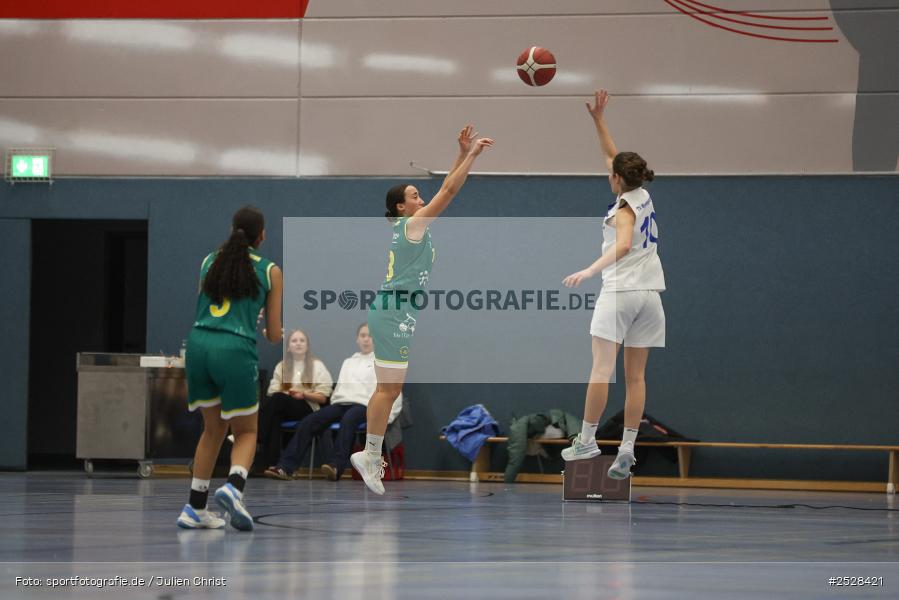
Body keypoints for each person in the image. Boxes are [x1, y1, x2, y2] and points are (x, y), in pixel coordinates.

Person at [351, 125, 494, 494]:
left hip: (396, 312)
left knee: (389, 390)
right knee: (388, 390)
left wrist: (460, 153)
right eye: (415, 195)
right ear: (402, 206)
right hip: (392, 312)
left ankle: (369, 454)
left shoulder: (412, 226)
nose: (421, 197)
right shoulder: (412, 225)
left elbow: (444, 186)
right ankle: (369, 455)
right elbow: (449, 190)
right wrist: (472, 156)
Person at [561, 90, 665, 480]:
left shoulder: (623, 209)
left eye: (611, 173)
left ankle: (587, 439)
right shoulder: (642, 194)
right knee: (636, 377)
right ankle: (626, 448)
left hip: (620, 292)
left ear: (618, 180)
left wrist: (589, 271)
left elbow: (622, 246)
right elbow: (613, 157)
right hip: (651, 298)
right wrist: (599, 120)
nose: (608, 173)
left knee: (602, 370)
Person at [176, 205, 283, 531]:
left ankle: (195, 507)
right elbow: (275, 334)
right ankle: (234, 488)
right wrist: (261, 323)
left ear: (232, 229)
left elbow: (205, 303)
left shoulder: (210, 261)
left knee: (213, 429)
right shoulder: (270, 270)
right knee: (247, 430)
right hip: (233, 348)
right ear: (262, 235)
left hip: (198, 344)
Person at [264, 323, 401, 481]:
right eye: (363, 336)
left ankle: (336, 466)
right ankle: (285, 468)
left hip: (366, 406)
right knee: (310, 420)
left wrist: (386, 416)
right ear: (357, 339)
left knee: (349, 418)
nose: (366, 339)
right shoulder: (349, 362)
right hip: (342, 403)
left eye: (370, 336)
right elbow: (339, 391)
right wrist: (334, 404)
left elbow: (393, 392)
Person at [257, 328, 333, 468]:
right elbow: (272, 391)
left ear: (307, 345)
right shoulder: (282, 365)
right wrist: (289, 394)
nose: (298, 344)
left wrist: (303, 394)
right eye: (294, 341)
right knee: (275, 416)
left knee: (279, 399)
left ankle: (256, 435)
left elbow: (323, 398)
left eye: (302, 340)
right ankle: (273, 465)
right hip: (284, 407)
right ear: (288, 347)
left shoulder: (317, 365)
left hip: (308, 408)